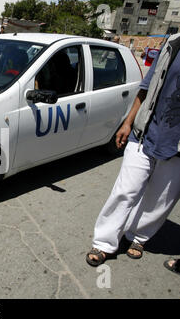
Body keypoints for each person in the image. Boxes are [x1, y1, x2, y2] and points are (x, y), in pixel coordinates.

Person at [86, 33, 180, 267]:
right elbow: (145, 88)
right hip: (145, 132)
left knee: (160, 199)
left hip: (176, 145)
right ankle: (104, 242)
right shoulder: (172, 43)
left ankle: (138, 237)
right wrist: (128, 123)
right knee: (125, 190)